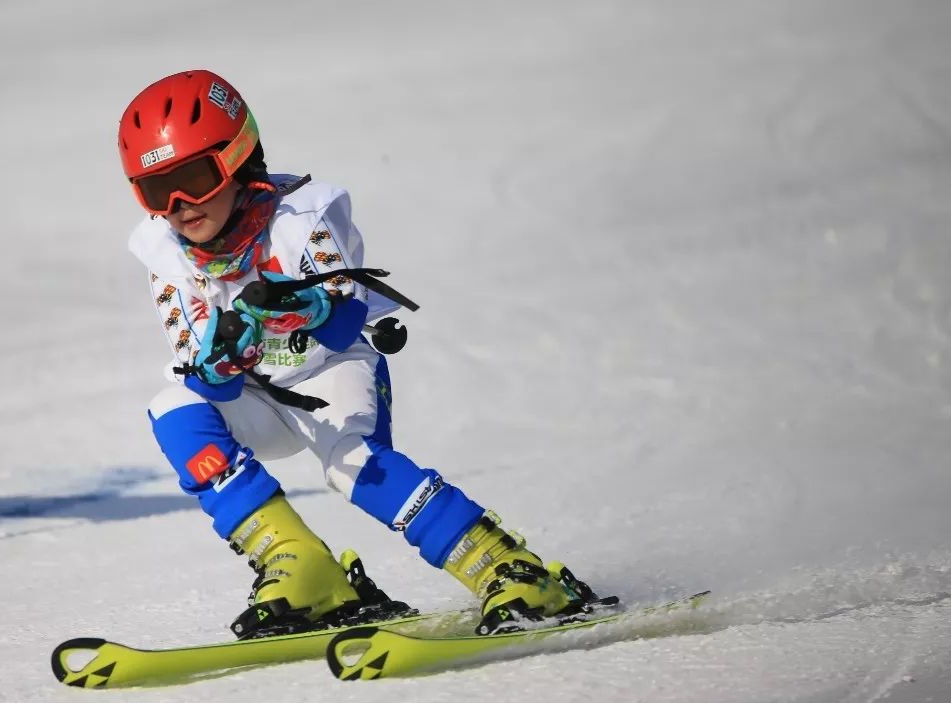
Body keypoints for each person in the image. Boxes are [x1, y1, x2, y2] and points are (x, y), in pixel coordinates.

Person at [118, 70, 606, 638]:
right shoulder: (165, 257)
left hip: (330, 371)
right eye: (158, 191)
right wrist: (223, 357)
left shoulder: (301, 219)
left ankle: (508, 568)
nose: (179, 206)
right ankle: (302, 568)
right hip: (259, 396)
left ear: (238, 157)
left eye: (195, 179)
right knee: (172, 408)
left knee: (350, 462)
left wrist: (304, 305)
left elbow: (343, 318)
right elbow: (214, 389)